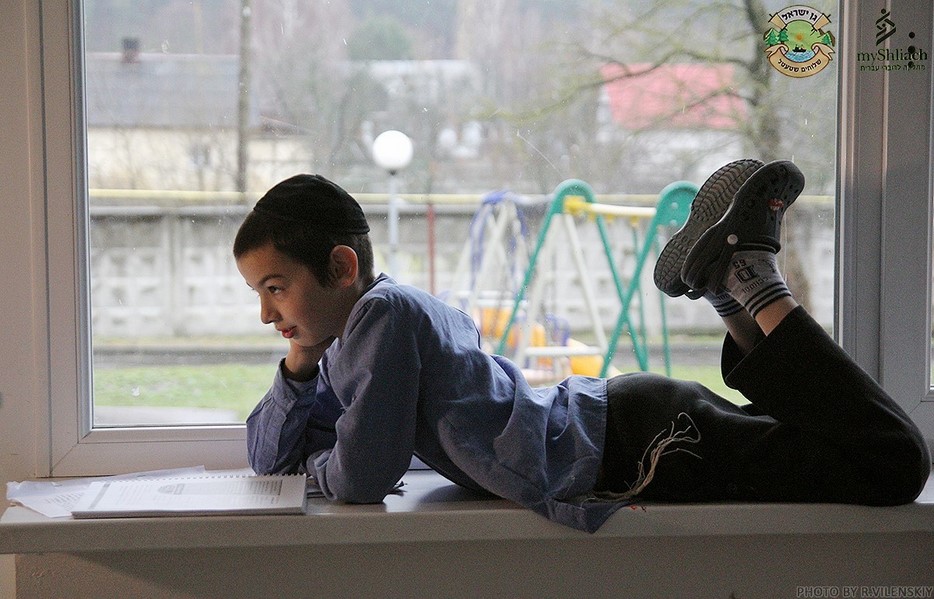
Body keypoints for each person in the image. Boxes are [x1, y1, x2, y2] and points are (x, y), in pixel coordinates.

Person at [234, 162, 930, 533]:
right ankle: (733, 286)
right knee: (838, 446)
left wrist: (323, 459)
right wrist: (299, 367)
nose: (267, 313)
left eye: (276, 288)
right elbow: (270, 459)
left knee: (892, 461)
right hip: (634, 428)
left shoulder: (381, 320)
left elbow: (359, 477)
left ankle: (751, 278)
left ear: (341, 268)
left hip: (640, 443)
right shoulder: (354, 340)